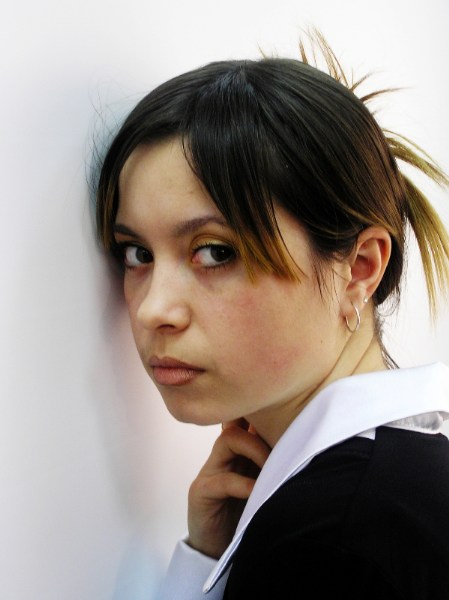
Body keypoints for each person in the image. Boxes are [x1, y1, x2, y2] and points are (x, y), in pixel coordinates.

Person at [95, 31, 449, 599]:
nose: (153, 310)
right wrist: (210, 555)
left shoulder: (333, 537)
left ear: (359, 268)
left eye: (216, 252)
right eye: (137, 254)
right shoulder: (396, 483)